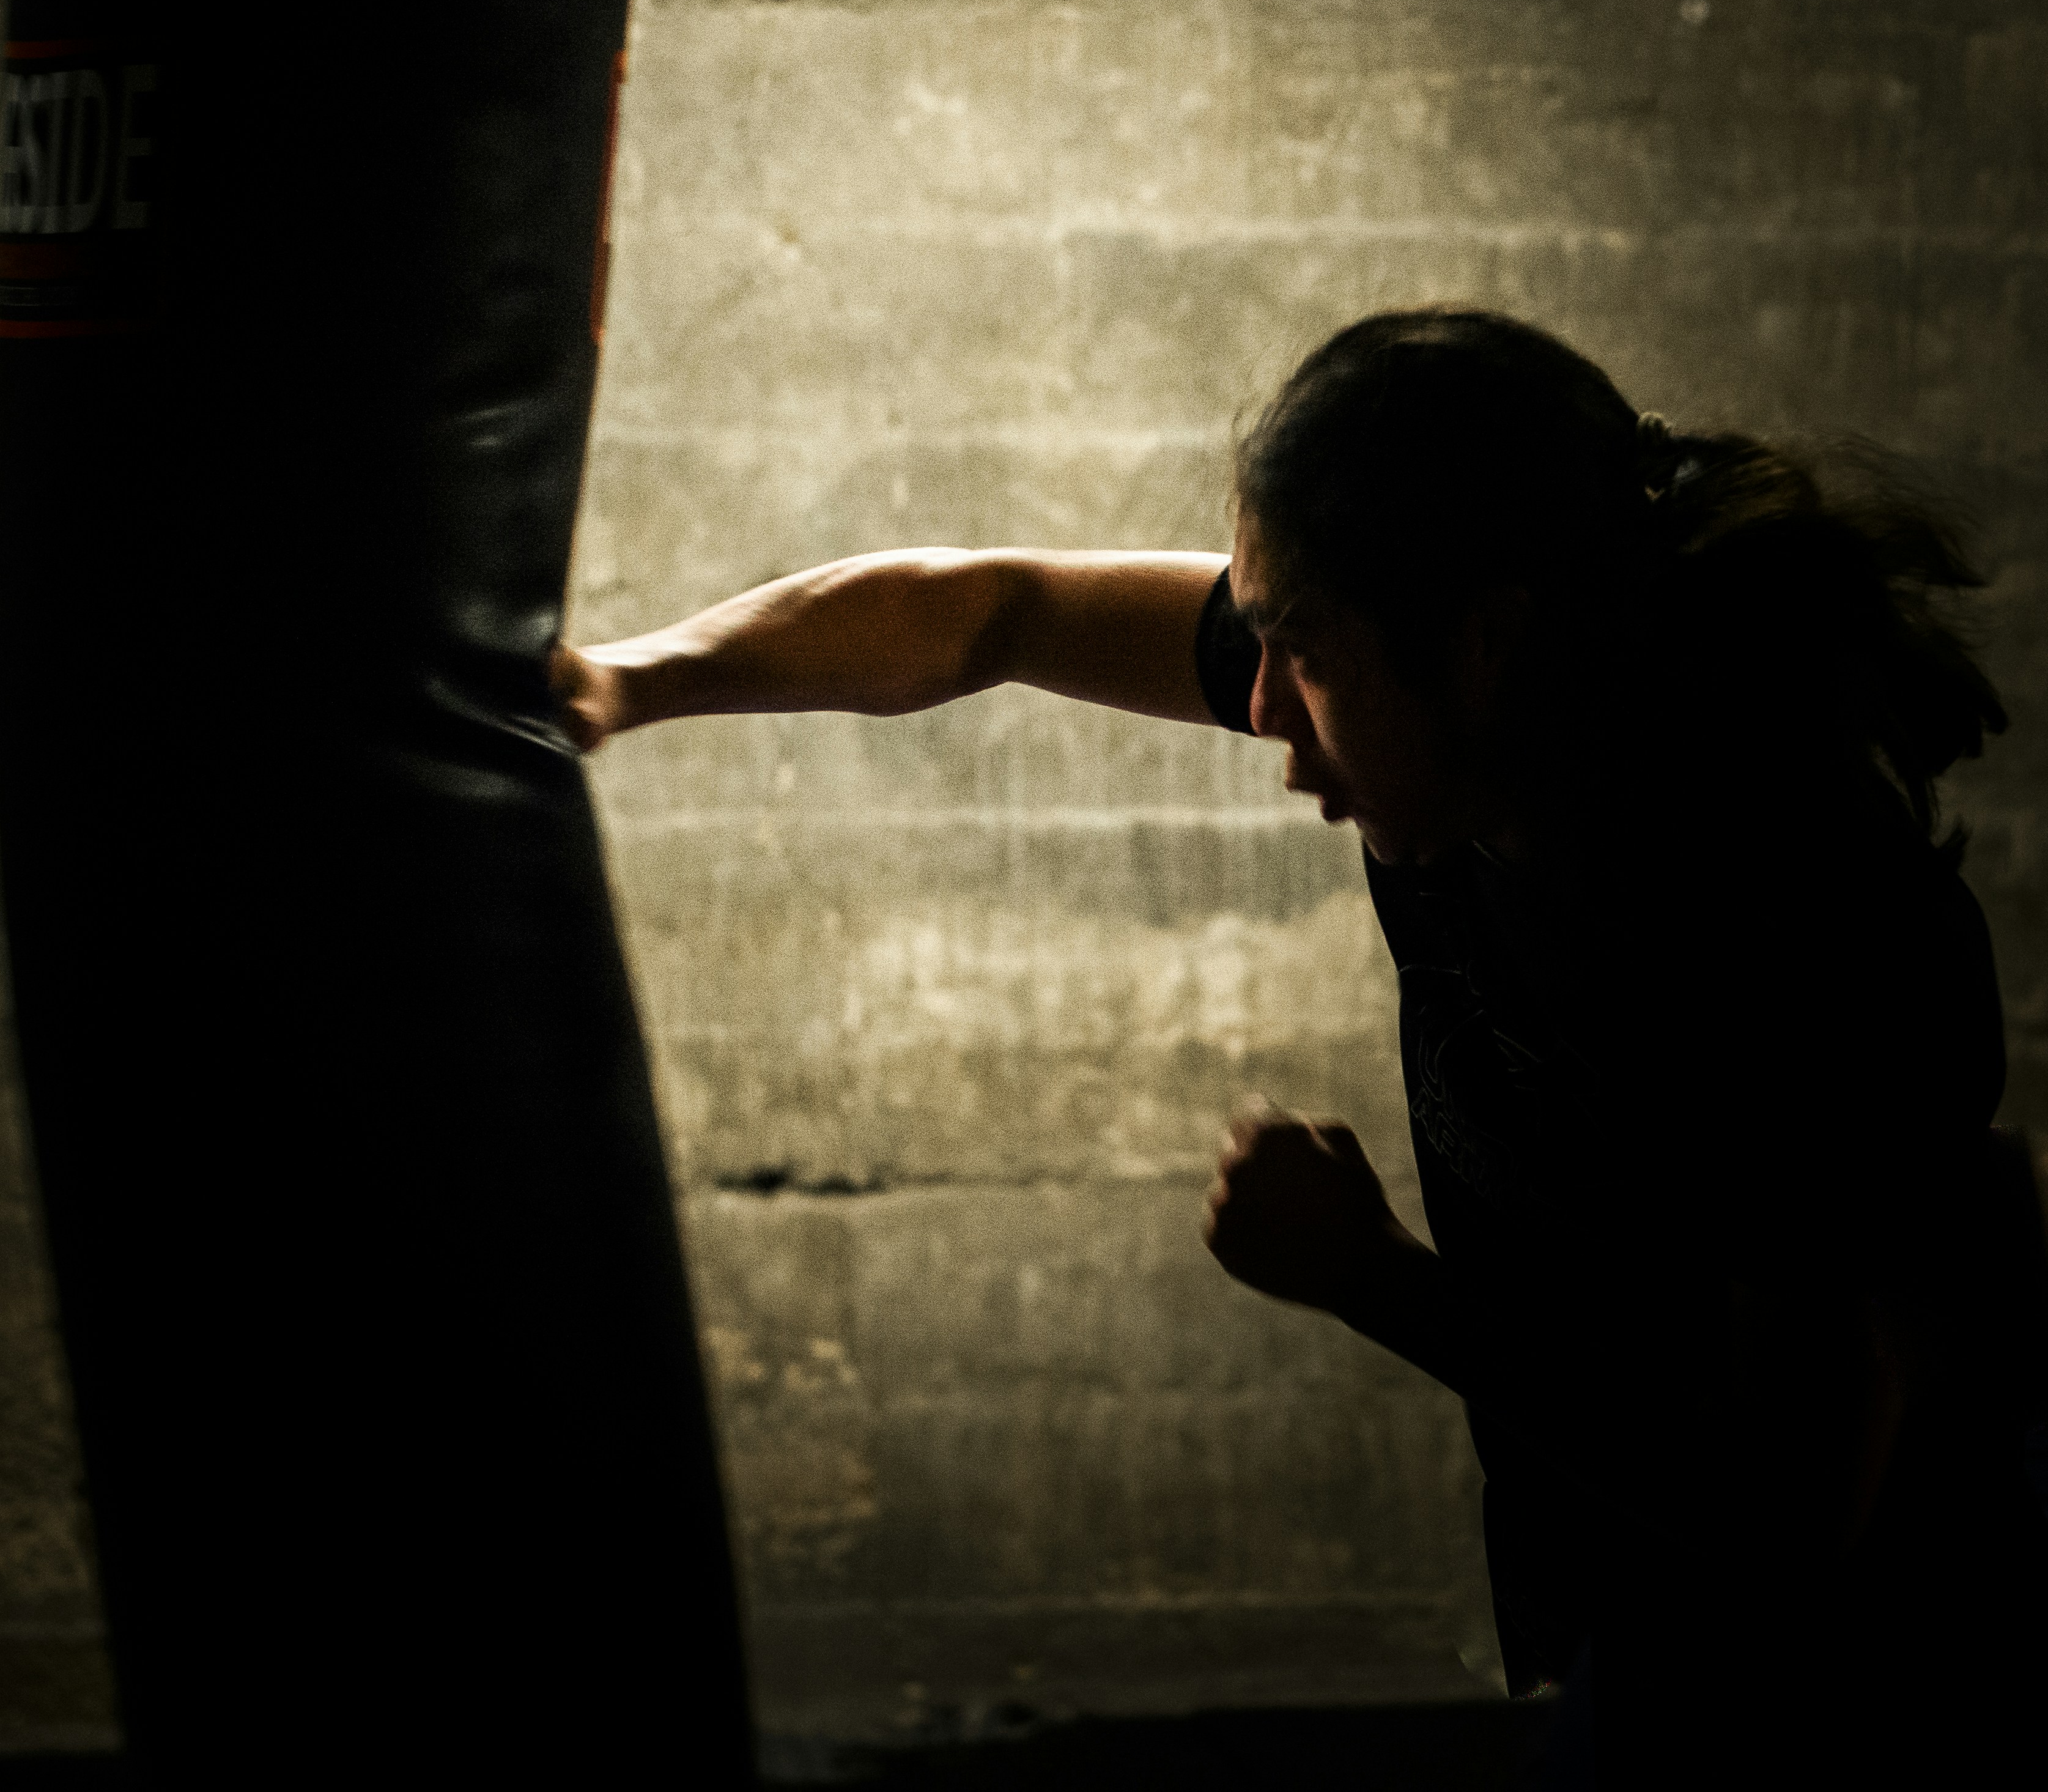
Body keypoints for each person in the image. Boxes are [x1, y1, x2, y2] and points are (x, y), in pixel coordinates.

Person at [553, 306, 2046, 1766]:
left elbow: (1780, 1496)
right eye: (1256, 640)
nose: (1263, 716)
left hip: (1860, 1669)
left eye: (1304, 653)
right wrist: (634, 679)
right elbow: (986, 611)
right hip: (1626, 1603)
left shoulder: (1775, 934)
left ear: (1484, 645)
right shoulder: (1467, 717)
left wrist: (1374, 1279)